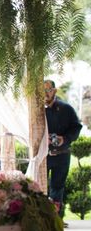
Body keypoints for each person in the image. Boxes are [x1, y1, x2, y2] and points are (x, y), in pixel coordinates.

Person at [44, 79, 82, 217]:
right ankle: (42, 219)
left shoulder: (67, 109)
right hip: (43, 156)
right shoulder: (36, 111)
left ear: (54, 91)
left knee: (57, 189)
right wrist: (43, 139)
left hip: (62, 155)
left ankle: (57, 219)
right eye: (41, 91)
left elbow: (76, 127)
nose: (45, 94)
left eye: (47, 90)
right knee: (40, 188)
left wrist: (64, 139)